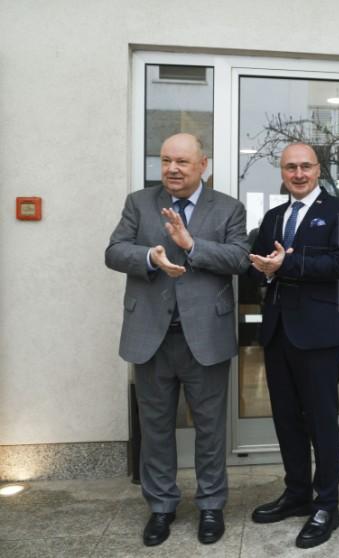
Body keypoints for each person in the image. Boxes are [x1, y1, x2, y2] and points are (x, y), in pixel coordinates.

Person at [105, 133, 250, 545]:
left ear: (203, 165)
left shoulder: (229, 208)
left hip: (205, 338)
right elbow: (114, 251)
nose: (172, 168)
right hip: (150, 336)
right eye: (166, 159)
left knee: (210, 430)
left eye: (182, 162)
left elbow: (240, 258)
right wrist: (150, 258)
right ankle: (161, 507)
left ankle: (211, 505)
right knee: (155, 428)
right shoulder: (139, 203)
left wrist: (192, 245)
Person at [248, 143, 339, 548]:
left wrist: (286, 264)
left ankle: (326, 504)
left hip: (318, 335)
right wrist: (263, 269)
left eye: (305, 166)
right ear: (282, 172)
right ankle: (296, 494)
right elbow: (257, 264)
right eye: (290, 167)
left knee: (321, 422)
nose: (298, 174)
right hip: (278, 332)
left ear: (318, 169)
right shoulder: (274, 216)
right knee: (287, 420)